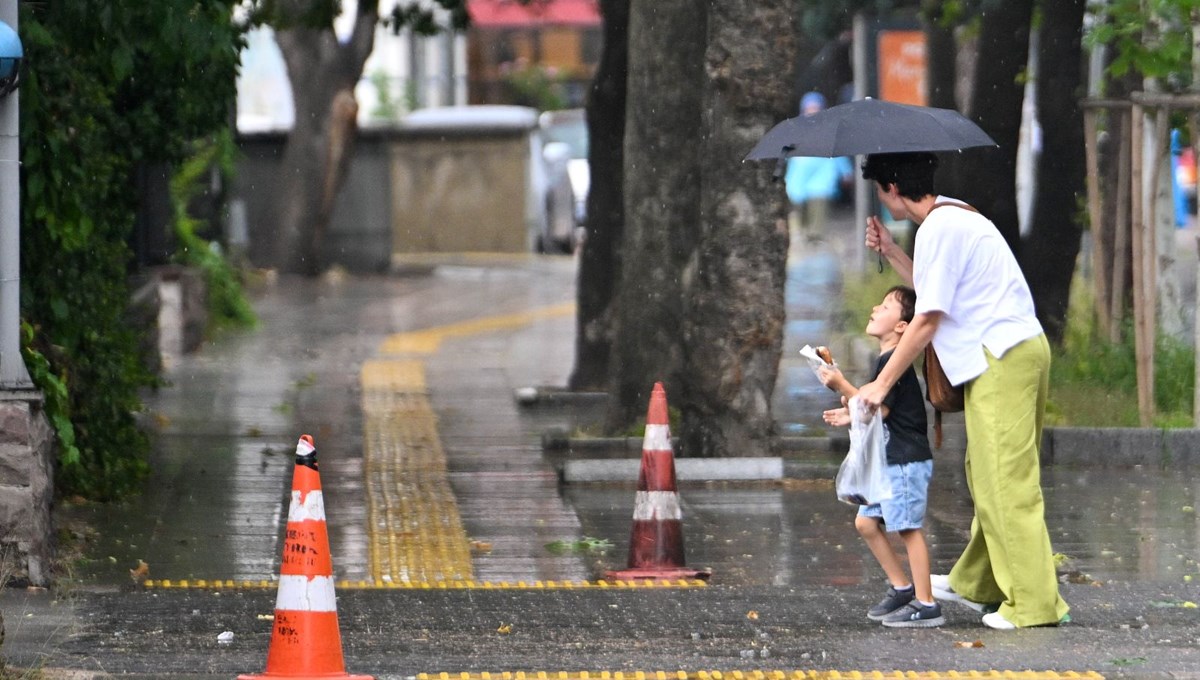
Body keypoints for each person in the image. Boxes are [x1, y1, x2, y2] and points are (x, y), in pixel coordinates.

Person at [854, 151, 1069, 630]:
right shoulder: (950, 216)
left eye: (878, 188)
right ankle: (980, 581)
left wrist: (881, 383)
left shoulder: (940, 228)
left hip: (1002, 356)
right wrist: (891, 251)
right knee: (986, 471)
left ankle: (1033, 606)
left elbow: (927, 318)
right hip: (1011, 350)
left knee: (1005, 481)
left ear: (891, 187)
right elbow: (936, 294)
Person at [818, 285, 942, 629]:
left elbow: (875, 405)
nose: (875, 307)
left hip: (904, 460)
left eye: (886, 305)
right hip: (888, 460)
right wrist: (848, 411)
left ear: (903, 326)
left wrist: (841, 385)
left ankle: (926, 602)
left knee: (908, 528)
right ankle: (903, 588)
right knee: (866, 522)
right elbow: (880, 408)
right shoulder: (885, 360)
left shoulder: (894, 361)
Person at [784, 92, 852, 248]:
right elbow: (788, 153)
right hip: (799, 180)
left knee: (818, 207)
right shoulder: (796, 130)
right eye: (810, 109)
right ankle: (802, 233)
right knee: (800, 209)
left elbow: (837, 155)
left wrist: (846, 172)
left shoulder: (829, 132)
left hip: (821, 179)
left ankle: (815, 236)